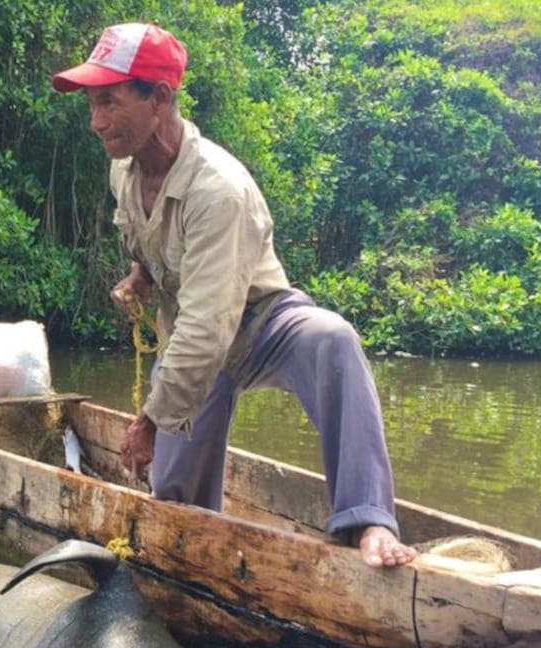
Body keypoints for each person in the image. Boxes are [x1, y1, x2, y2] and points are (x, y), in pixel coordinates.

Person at [52, 23, 417, 568]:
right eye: (91, 105)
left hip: (263, 321)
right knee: (175, 497)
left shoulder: (218, 191)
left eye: (109, 102)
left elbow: (209, 326)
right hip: (195, 331)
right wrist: (140, 277)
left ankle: (366, 519)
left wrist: (149, 421)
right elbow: (149, 241)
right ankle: (192, 551)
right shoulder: (122, 168)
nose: (96, 121)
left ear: (161, 99)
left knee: (332, 341)